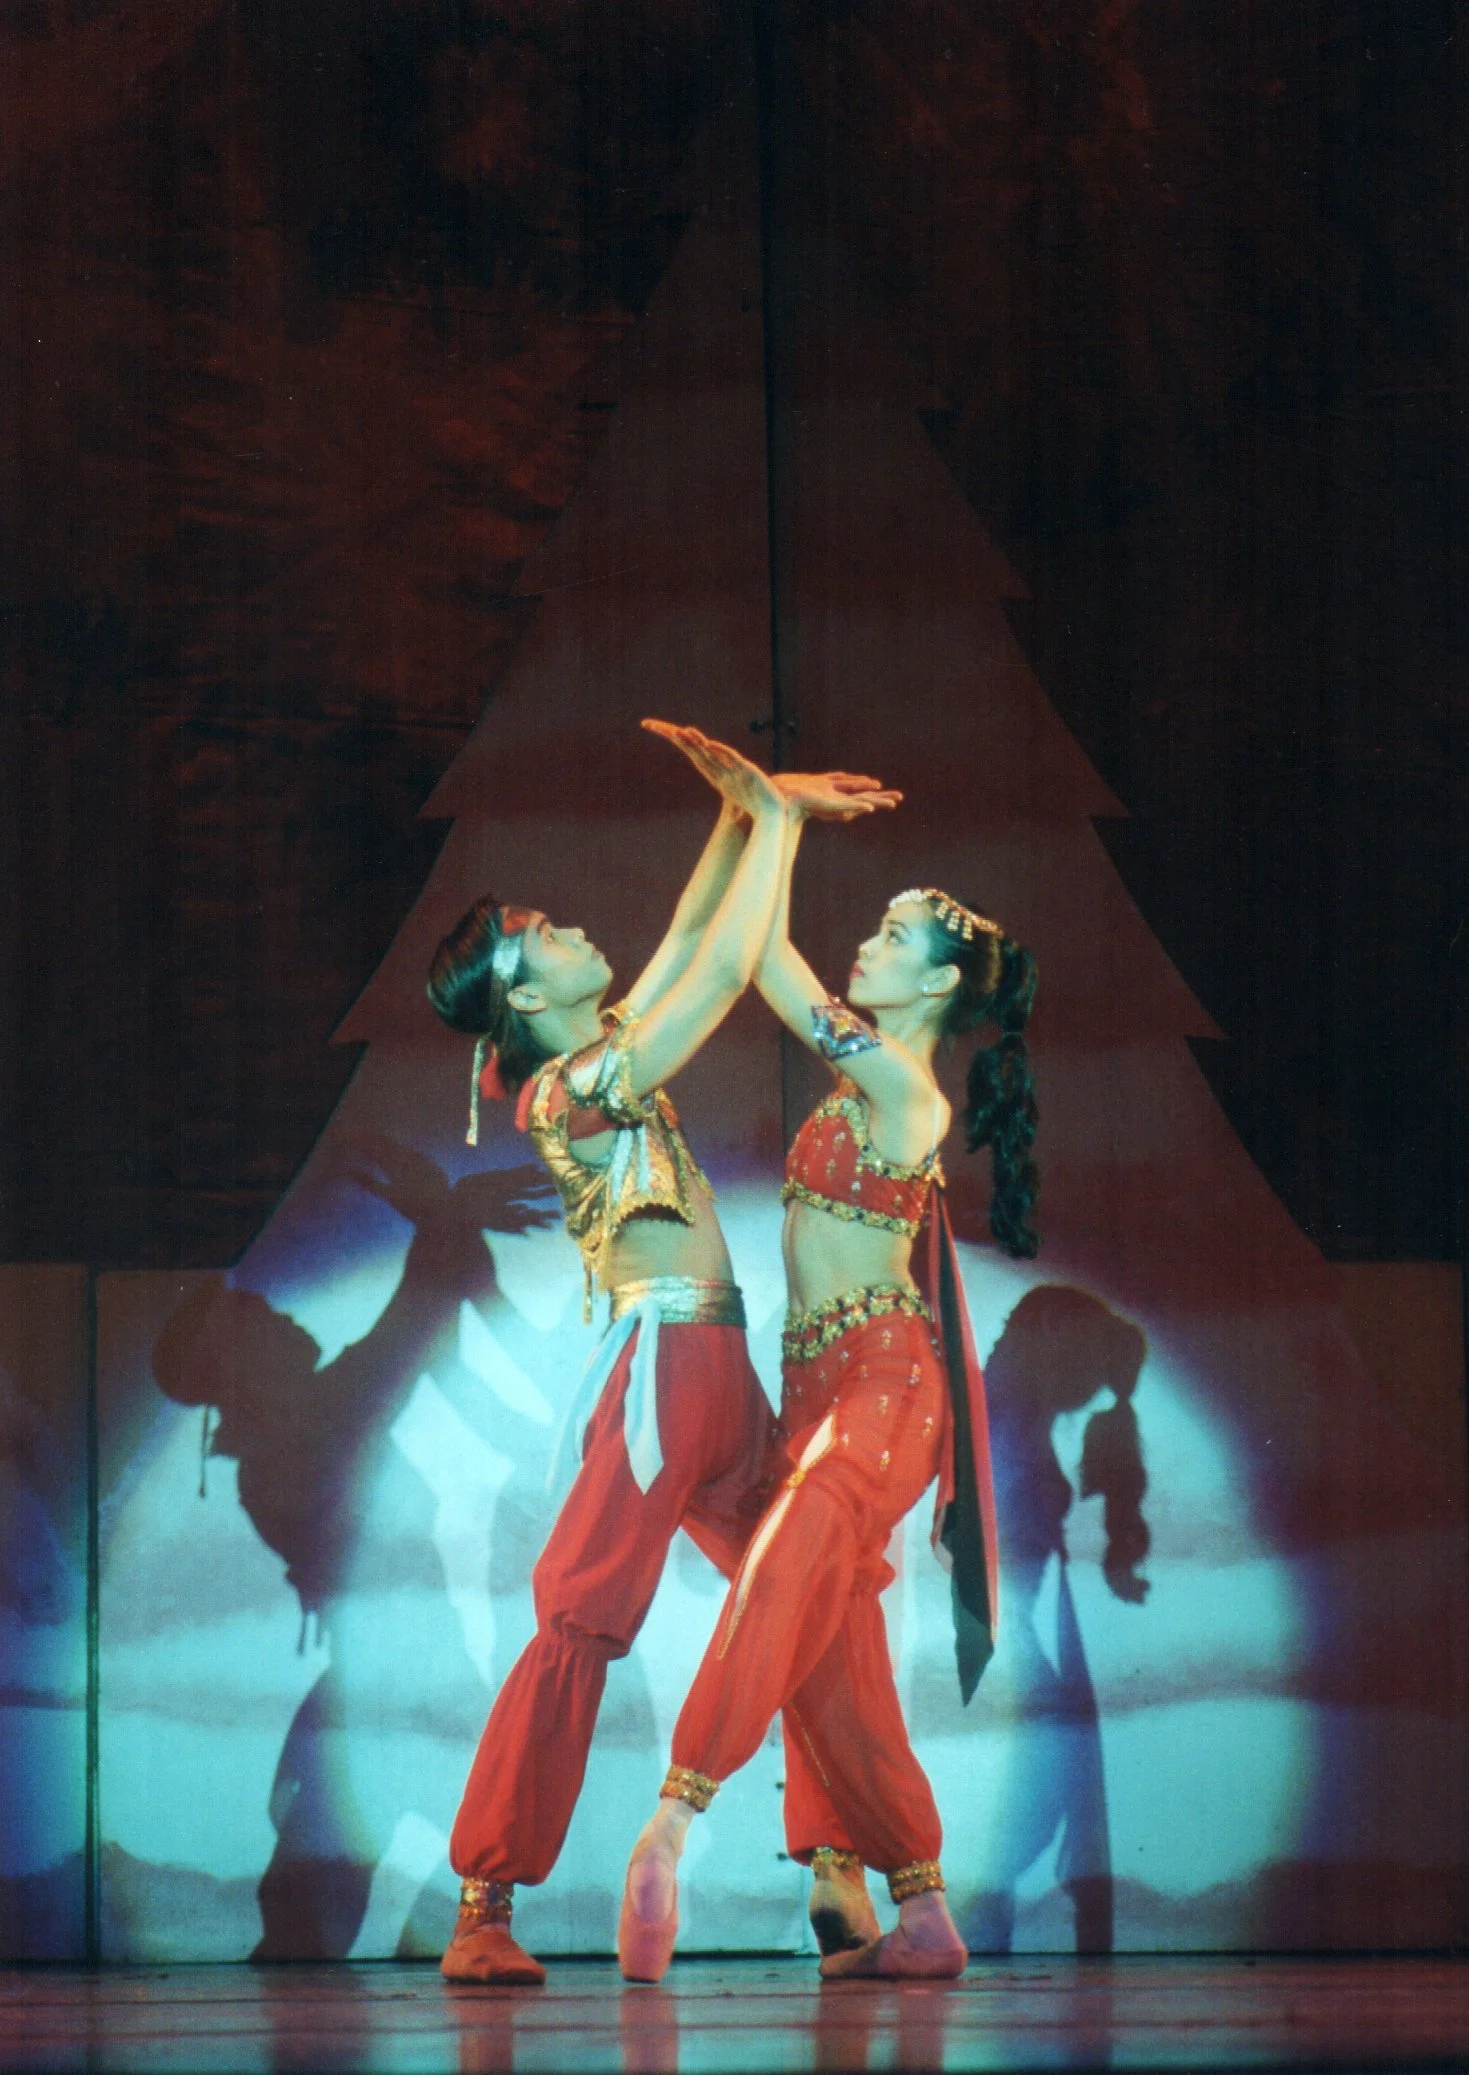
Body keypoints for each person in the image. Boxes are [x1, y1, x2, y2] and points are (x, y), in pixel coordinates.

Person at [426, 723, 900, 1984]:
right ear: (524, 996)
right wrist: (773, 822)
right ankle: (483, 1903)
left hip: (720, 1374)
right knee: (582, 1617)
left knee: (820, 1584)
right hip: (653, 1378)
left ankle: (837, 1857)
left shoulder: (603, 1051)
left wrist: (748, 813)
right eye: (548, 935)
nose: (581, 930)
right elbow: (729, 965)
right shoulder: (565, 1090)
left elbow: (699, 938)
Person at [618, 726, 1039, 1984]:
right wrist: (768, 816)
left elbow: (769, 970)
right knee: (838, 1659)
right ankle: (922, 1907)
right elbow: (757, 957)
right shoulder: (866, 1063)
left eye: (897, 936)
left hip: (881, 1389)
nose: (871, 941)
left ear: (936, 986)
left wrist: (776, 818)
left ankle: (669, 1824)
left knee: (793, 1559)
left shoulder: (911, 1098)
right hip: (809, 1390)